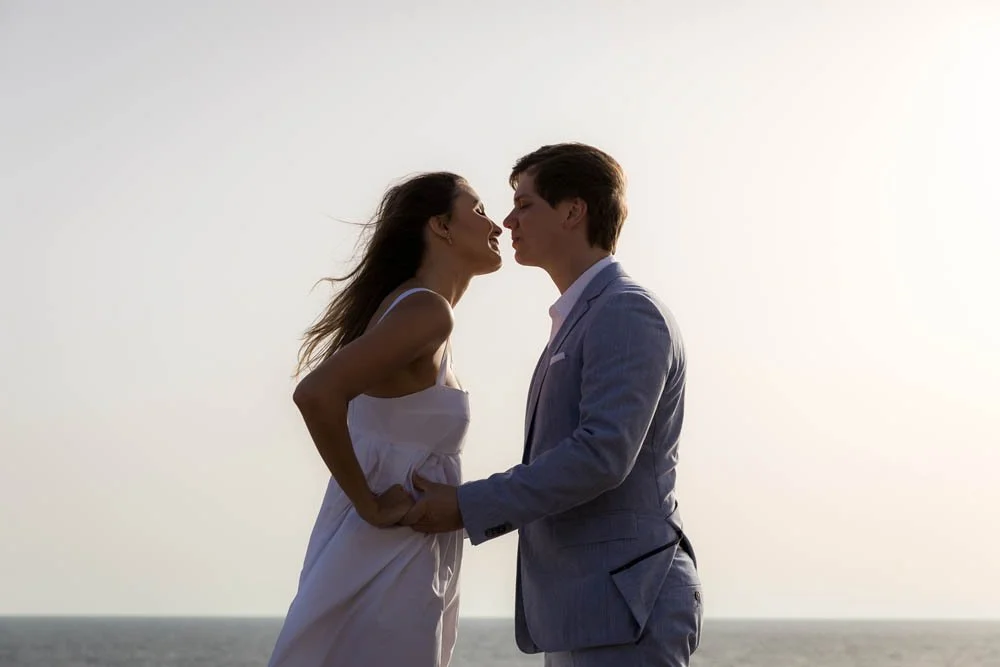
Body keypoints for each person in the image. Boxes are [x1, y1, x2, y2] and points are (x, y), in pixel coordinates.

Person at [402, 143, 703, 666]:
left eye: (525, 204)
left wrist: (465, 505)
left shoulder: (627, 311)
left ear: (573, 211)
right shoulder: (581, 319)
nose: (507, 219)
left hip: (625, 603)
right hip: (583, 606)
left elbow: (602, 454)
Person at [267, 171, 503, 667]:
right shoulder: (428, 312)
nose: (497, 225)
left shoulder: (419, 312)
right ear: (440, 226)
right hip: (386, 558)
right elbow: (316, 394)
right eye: (479, 211)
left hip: (393, 556)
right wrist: (370, 505)